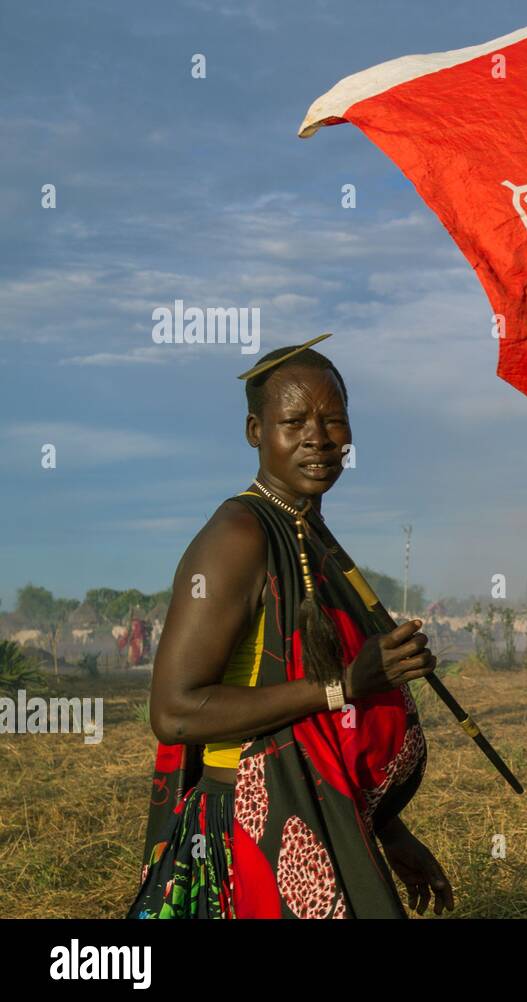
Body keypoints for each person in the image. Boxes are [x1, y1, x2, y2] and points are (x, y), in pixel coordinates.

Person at [127, 338, 453, 918]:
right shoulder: (239, 535)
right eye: (294, 421)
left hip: (317, 813)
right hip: (247, 829)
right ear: (255, 431)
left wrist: (388, 830)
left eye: (334, 420)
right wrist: (346, 685)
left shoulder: (310, 533)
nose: (318, 437)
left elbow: (321, 730)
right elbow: (175, 712)